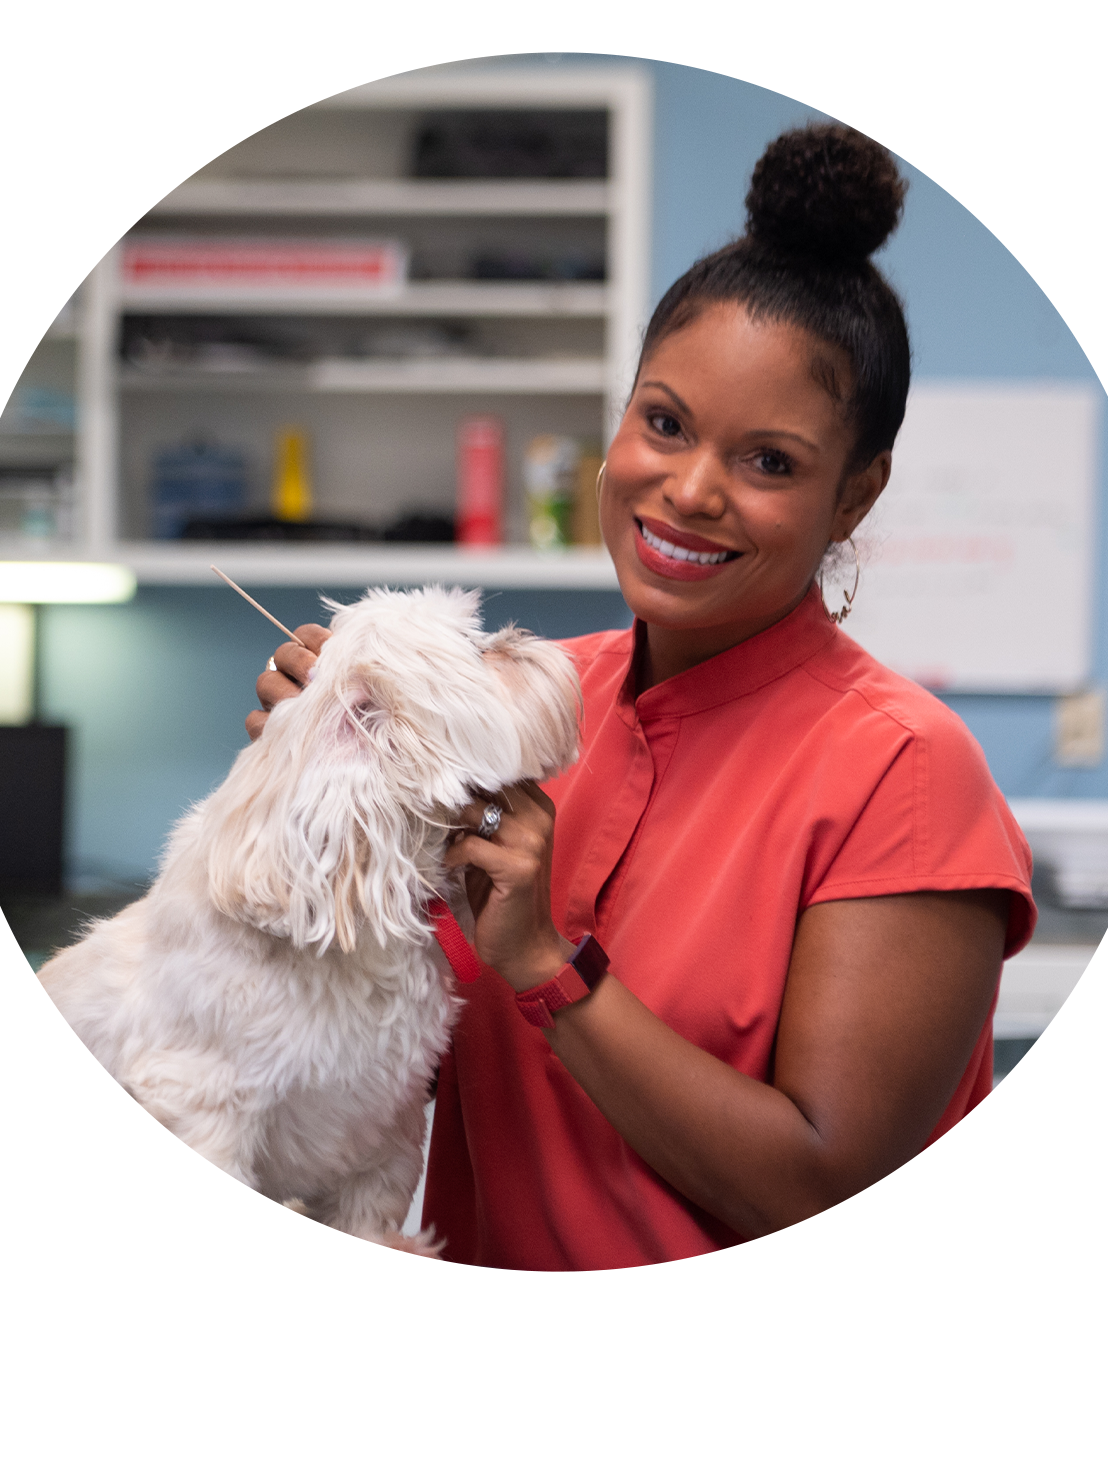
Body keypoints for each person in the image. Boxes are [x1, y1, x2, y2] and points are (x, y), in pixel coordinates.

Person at [247, 122, 1035, 1271]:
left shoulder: (902, 772)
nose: (689, 491)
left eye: (769, 462)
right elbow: (355, 1005)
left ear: (855, 495)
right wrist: (311, 782)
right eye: (663, 424)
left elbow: (818, 1195)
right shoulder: (521, 700)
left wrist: (547, 967)